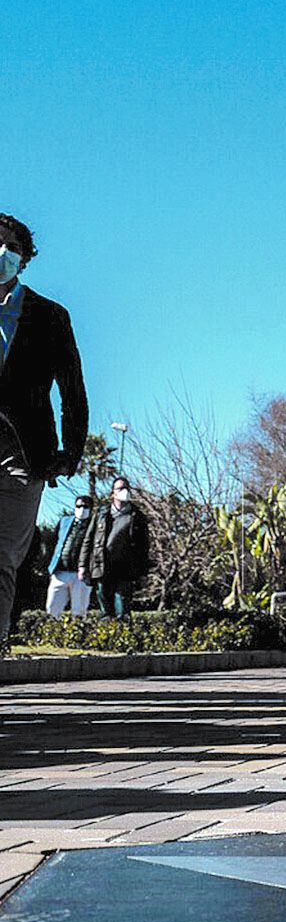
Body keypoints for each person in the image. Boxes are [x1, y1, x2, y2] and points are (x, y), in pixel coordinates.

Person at [0, 213, 88, 640]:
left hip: (21, 453)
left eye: (13, 248)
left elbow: (72, 388)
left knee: (2, 556)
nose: (3, 252)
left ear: (24, 259)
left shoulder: (49, 316)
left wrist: (71, 452)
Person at [80, 477, 150, 618]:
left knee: (122, 610)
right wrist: (82, 566)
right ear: (113, 492)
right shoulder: (101, 513)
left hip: (125, 569)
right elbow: (88, 540)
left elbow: (144, 547)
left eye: (127, 488)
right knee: (105, 610)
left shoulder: (137, 516)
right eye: (120, 488)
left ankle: (123, 630)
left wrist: (142, 572)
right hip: (102, 566)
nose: (124, 491)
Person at [45, 495, 95, 616]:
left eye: (85, 506)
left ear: (91, 508)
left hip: (81, 575)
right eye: (78, 506)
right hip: (60, 572)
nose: (81, 509)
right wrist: (50, 567)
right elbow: (52, 542)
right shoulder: (65, 521)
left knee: (79, 611)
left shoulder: (95, 524)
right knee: (52, 609)